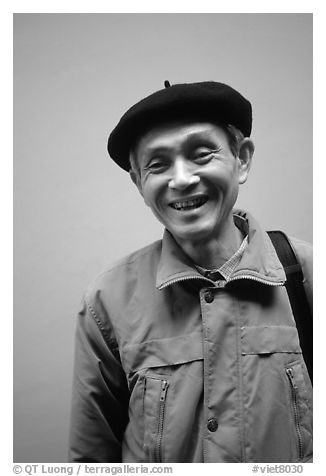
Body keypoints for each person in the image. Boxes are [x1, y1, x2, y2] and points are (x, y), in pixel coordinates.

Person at [69, 81, 313, 463]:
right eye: (157, 164)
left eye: (201, 154)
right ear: (139, 182)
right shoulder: (107, 301)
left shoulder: (309, 276)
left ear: (242, 159)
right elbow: (91, 460)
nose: (181, 179)